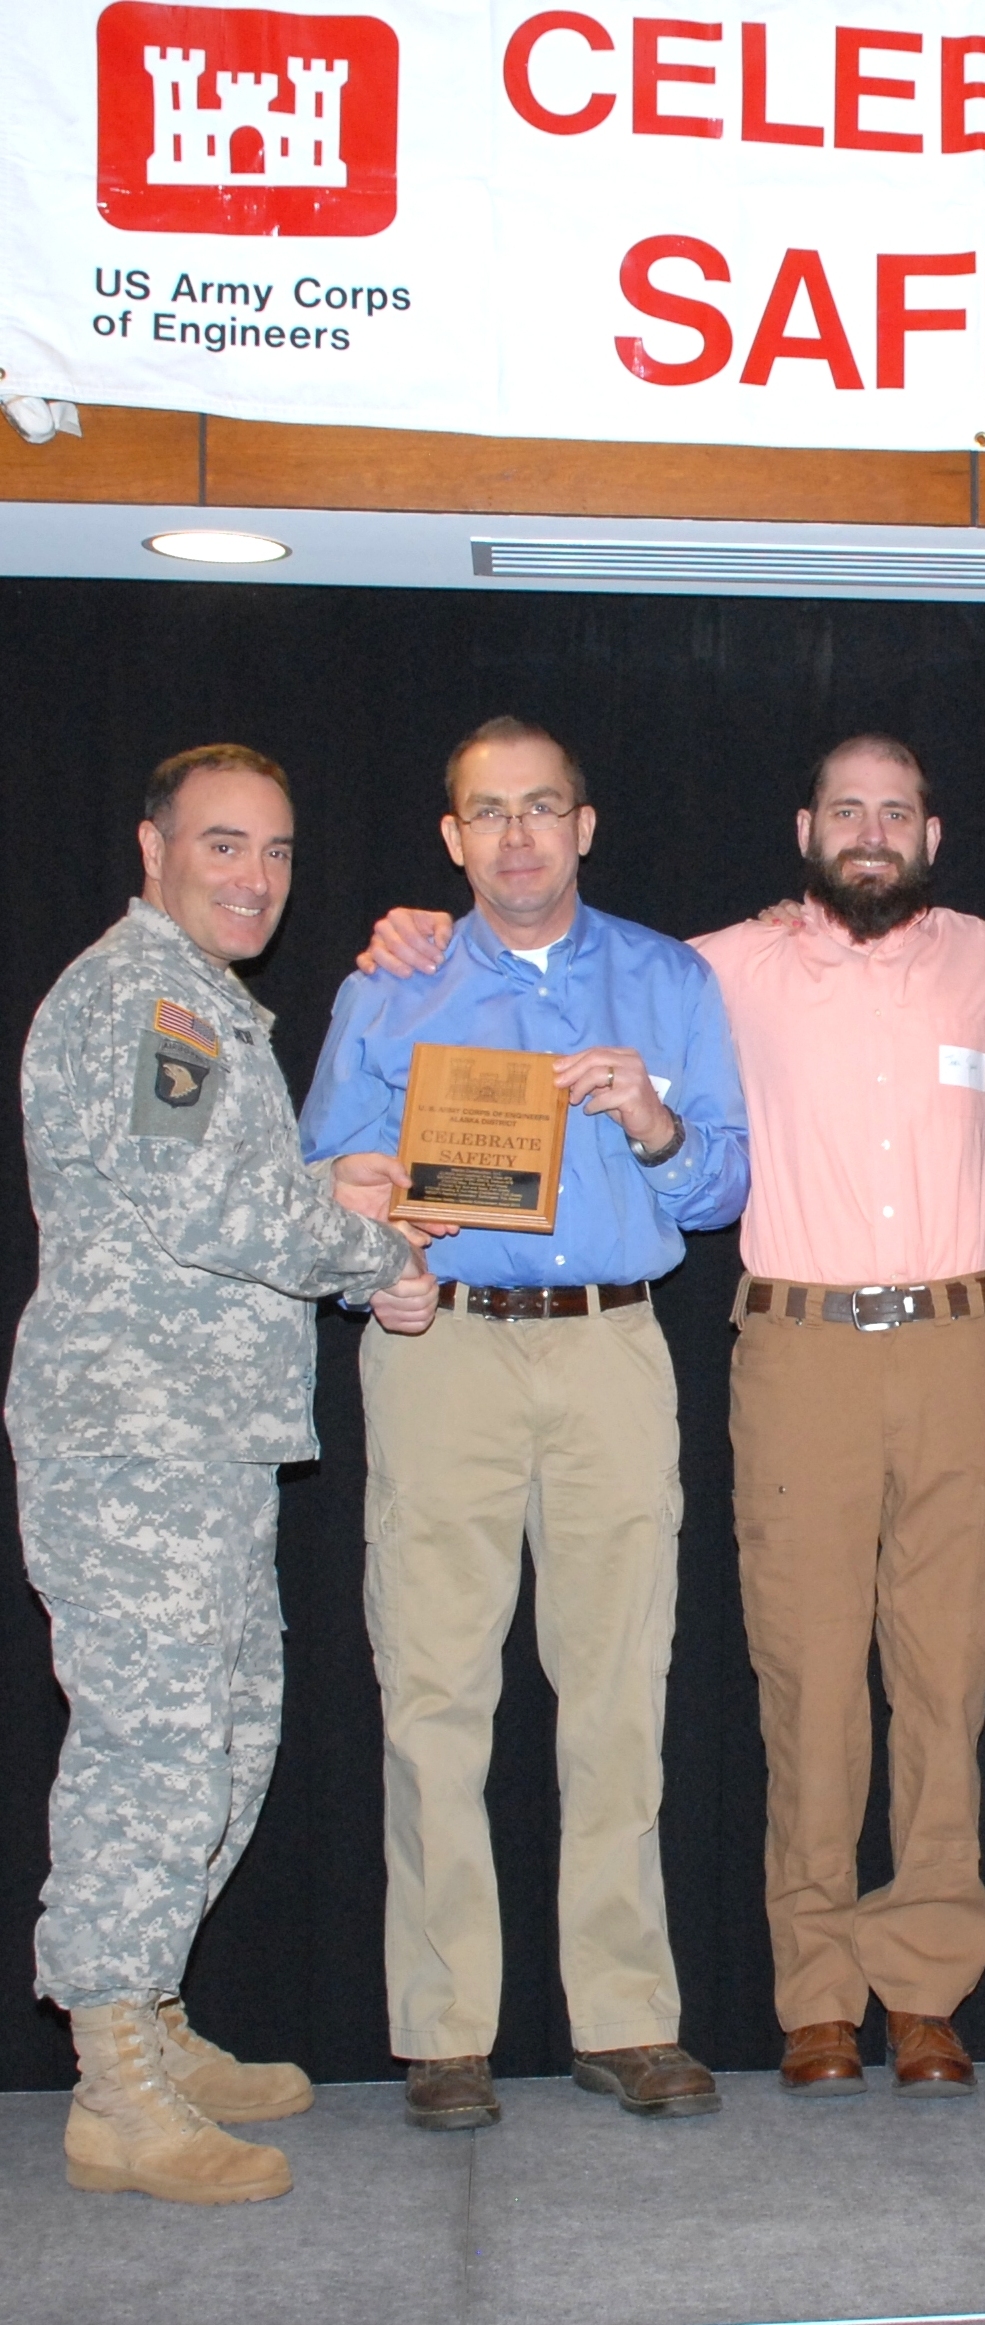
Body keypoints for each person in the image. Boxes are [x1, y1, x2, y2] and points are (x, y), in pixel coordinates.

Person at [359, 733, 985, 2099]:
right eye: (844, 809)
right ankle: (815, 1998)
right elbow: (527, 977)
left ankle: (924, 1990)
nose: (867, 831)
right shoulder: (711, 963)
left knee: (944, 1683)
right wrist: (405, 932)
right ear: (803, 826)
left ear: (932, 830)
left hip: (961, 1341)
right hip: (791, 1347)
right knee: (805, 1686)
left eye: (893, 811)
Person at [300, 717, 748, 2132]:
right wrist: (389, 1255)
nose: (516, 838)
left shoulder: (668, 980)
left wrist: (654, 1125)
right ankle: (445, 2030)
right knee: (433, 1689)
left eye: (540, 808)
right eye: (487, 814)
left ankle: (626, 2016)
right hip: (443, 1354)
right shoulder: (393, 985)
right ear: (451, 838)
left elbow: (724, 1184)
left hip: (614, 1346)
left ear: (585, 823)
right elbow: (326, 1173)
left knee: (620, 1688)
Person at [6, 743, 433, 2204]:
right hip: (134, 1440)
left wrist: (333, 1198)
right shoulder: (149, 999)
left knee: (225, 1735)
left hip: (200, 1435)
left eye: (278, 850)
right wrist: (371, 1249)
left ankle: (156, 2018)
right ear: (153, 847)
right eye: (224, 845)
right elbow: (206, 1203)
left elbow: (217, 1195)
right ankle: (115, 2083)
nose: (255, 876)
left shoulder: (199, 1005)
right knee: (154, 1748)